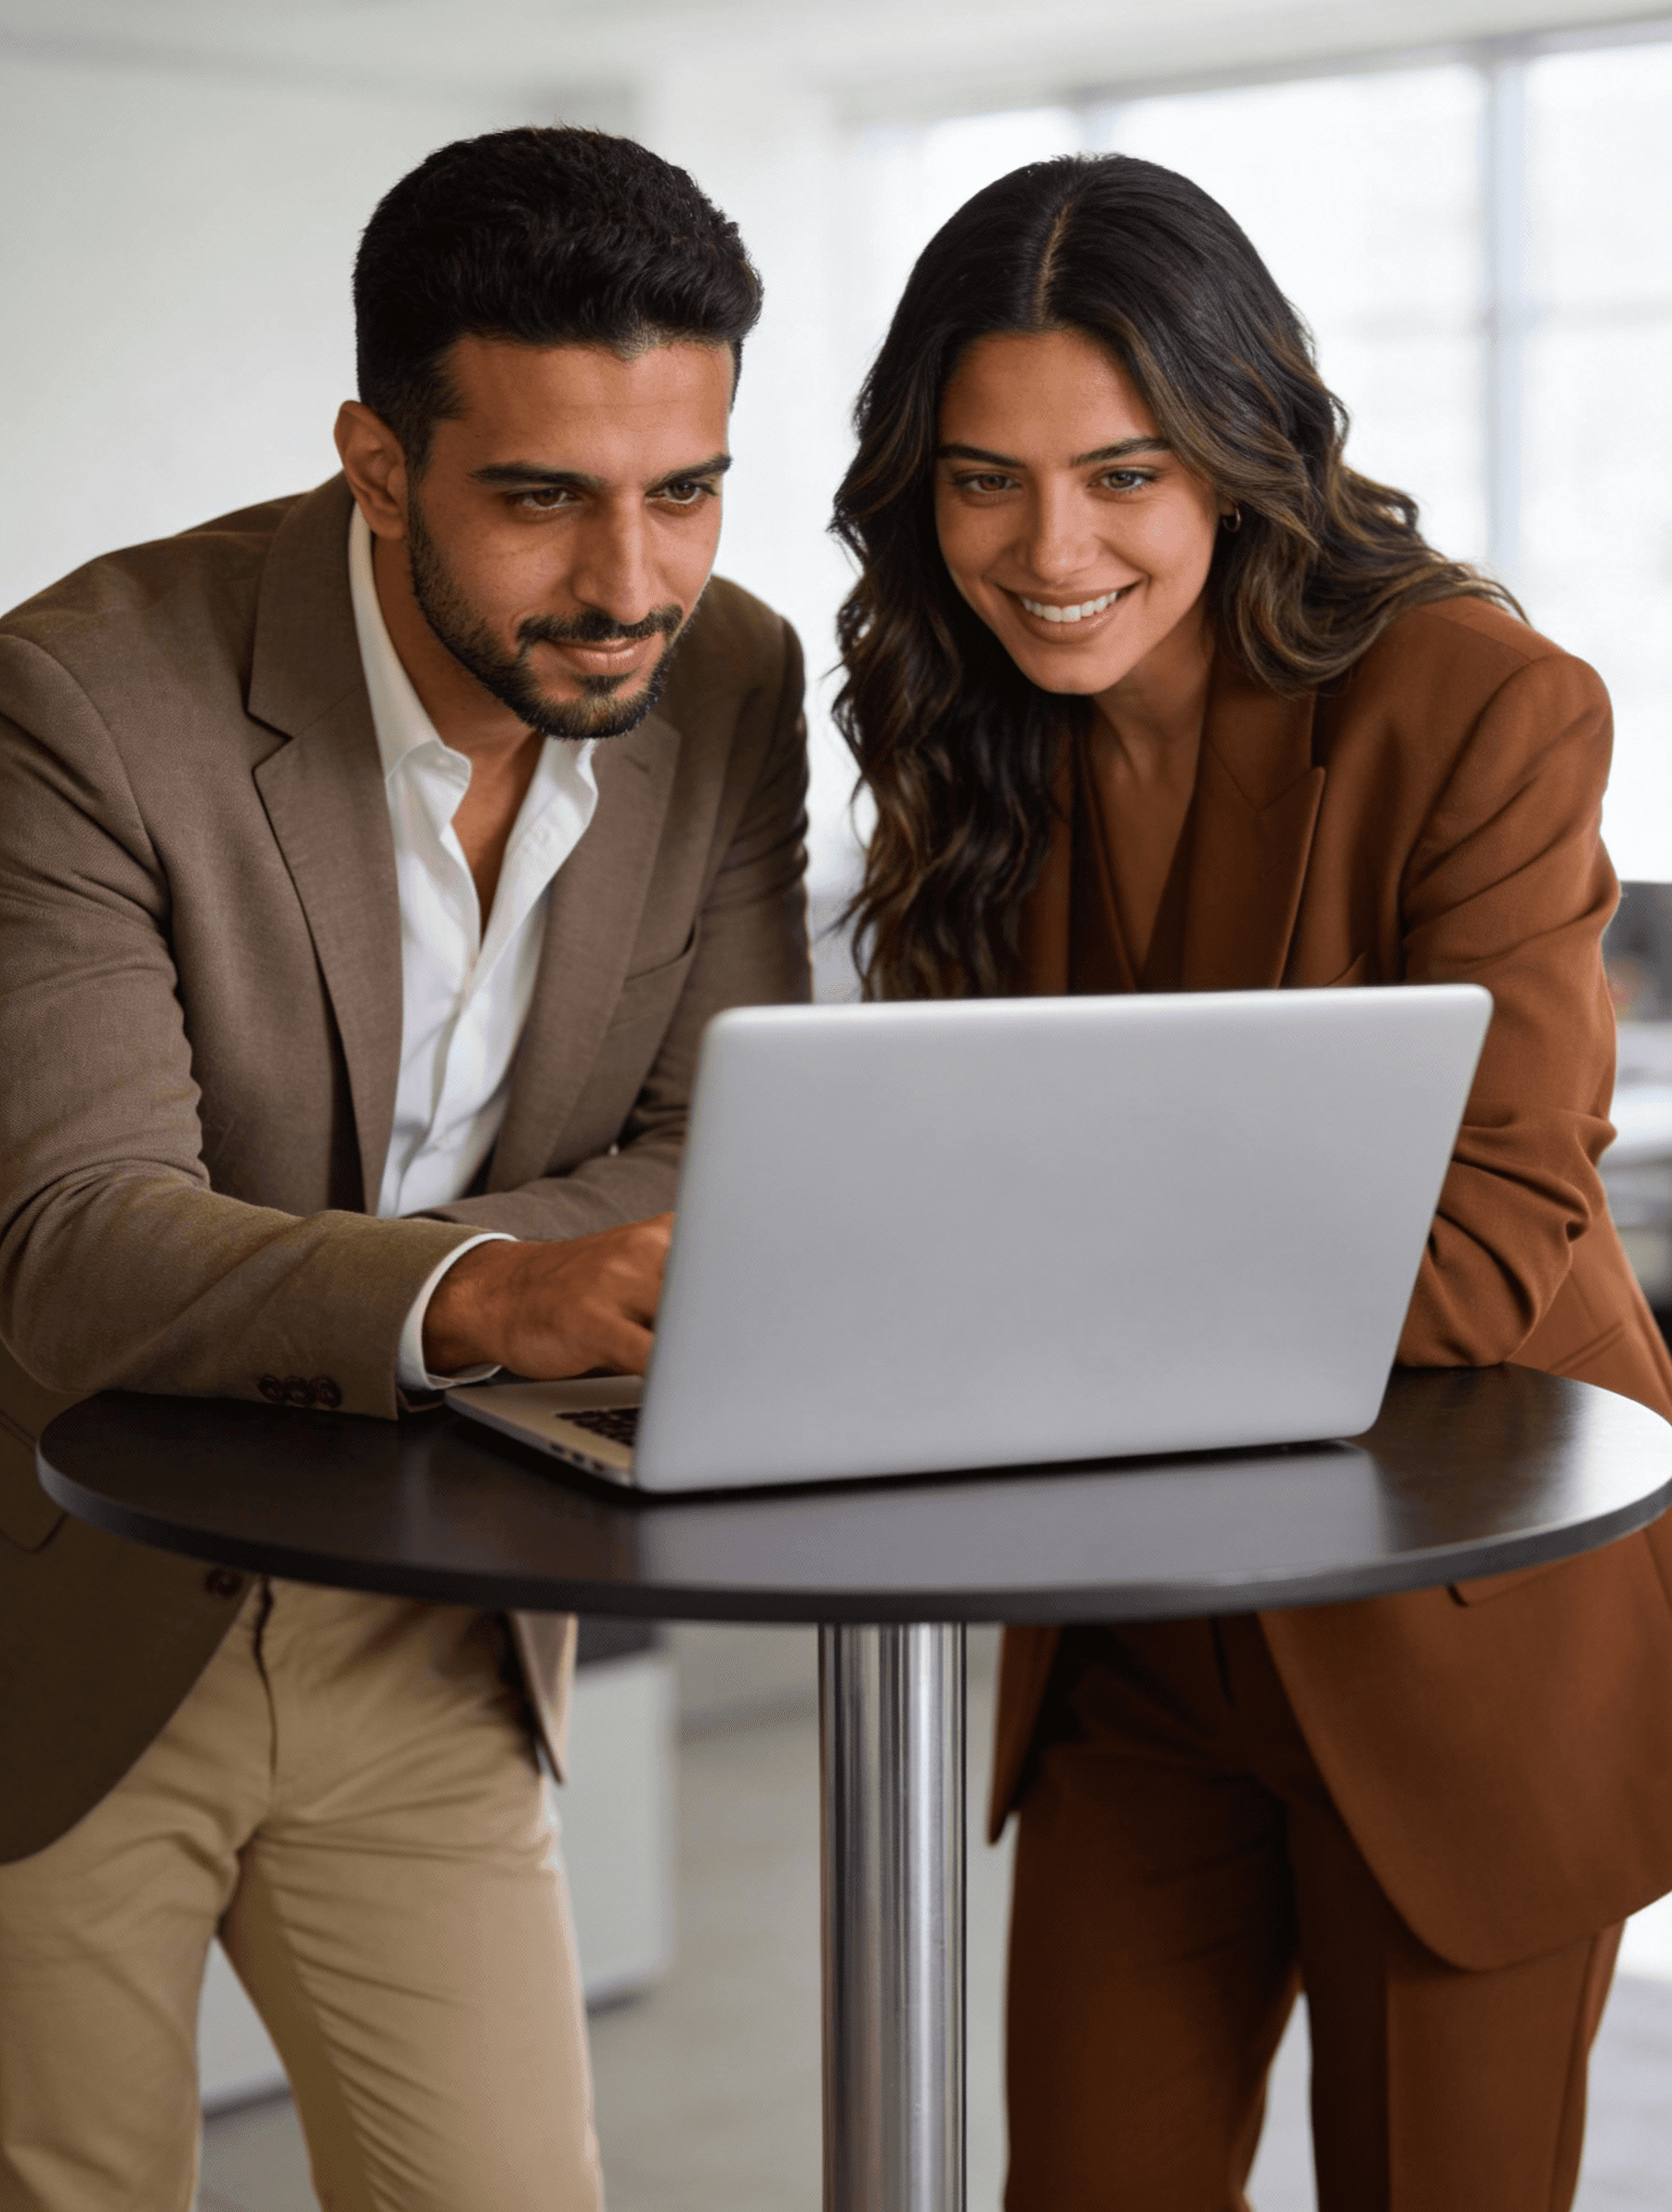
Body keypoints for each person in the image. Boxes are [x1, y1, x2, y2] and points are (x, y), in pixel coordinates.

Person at [832, 151, 1672, 2211]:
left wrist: (1012, 1280)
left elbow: (1487, 1251)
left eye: (1123, 474)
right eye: (981, 481)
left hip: (1451, 1623)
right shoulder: (971, 727)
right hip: (1127, 1641)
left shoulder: (1477, 705)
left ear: (1245, 442)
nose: (1049, 550)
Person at [0, 125, 808, 2211]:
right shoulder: (79, 697)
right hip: (56, 1596)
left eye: (686, 491)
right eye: (543, 498)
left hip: (427, 1621)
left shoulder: (729, 679)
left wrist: (328, 1279)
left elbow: (717, 1141)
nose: (631, 583)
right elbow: (73, 1245)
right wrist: (500, 1296)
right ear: (378, 460)